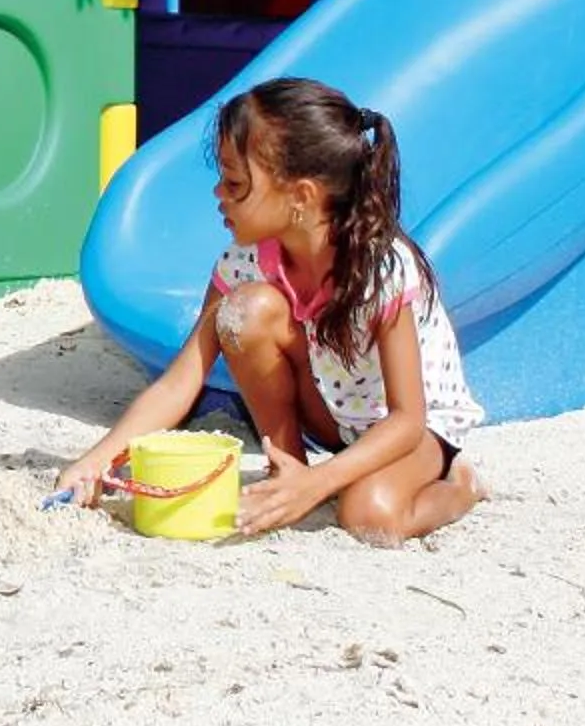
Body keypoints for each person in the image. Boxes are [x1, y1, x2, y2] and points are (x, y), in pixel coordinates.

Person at [55, 77, 484, 546]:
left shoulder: (380, 269)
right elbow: (182, 380)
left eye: (236, 183)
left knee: (370, 517)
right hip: (334, 415)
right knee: (245, 313)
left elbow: (407, 421)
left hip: (410, 432)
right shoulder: (243, 263)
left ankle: (462, 489)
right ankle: (288, 468)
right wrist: (98, 458)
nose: (219, 193)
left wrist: (324, 484)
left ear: (301, 196)